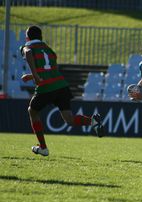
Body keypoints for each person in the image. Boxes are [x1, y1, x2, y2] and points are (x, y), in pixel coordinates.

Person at [21, 25, 105, 157]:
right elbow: (49, 68)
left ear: (27, 37)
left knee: (32, 111)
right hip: (61, 85)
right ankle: (92, 121)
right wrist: (33, 76)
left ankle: (43, 147)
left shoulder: (28, 46)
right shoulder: (48, 50)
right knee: (69, 119)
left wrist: (35, 76)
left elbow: (28, 53)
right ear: (41, 37)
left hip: (46, 87)